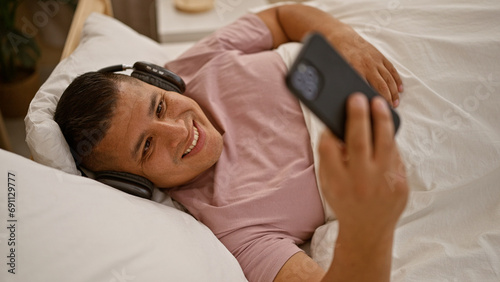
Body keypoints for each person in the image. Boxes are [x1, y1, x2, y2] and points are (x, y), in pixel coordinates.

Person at [54, 4, 408, 282]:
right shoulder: (233, 229)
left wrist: (339, 36)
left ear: (159, 80)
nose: (178, 131)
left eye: (160, 105)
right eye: (146, 147)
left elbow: (281, 18)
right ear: (132, 184)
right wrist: (368, 229)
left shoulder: (191, 65)